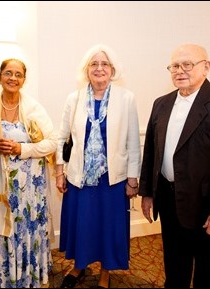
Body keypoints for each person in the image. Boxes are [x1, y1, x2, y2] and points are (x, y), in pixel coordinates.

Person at [138, 43, 210, 288]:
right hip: (169, 201)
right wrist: (148, 193)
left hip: (207, 207)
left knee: (207, 274)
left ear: (206, 67)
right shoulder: (161, 103)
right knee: (175, 267)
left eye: (187, 64)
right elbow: (151, 152)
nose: (180, 71)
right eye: (174, 66)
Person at [55, 44, 141, 288]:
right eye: (94, 64)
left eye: (105, 64)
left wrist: (133, 178)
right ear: (86, 69)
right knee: (83, 225)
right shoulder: (75, 98)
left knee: (108, 227)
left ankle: (105, 272)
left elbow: (133, 141)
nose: (99, 68)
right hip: (79, 177)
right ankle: (79, 266)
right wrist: (60, 172)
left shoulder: (126, 98)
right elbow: (62, 138)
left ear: (112, 70)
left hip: (112, 179)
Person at [0, 58, 57, 288]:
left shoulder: (34, 109)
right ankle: (9, 276)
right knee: (6, 230)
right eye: (8, 73)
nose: (13, 78)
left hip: (32, 189)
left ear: (24, 80)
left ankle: (31, 275)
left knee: (30, 229)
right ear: (0, 77)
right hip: (4, 187)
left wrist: (23, 149)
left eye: (18, 74)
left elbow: (52, 143)